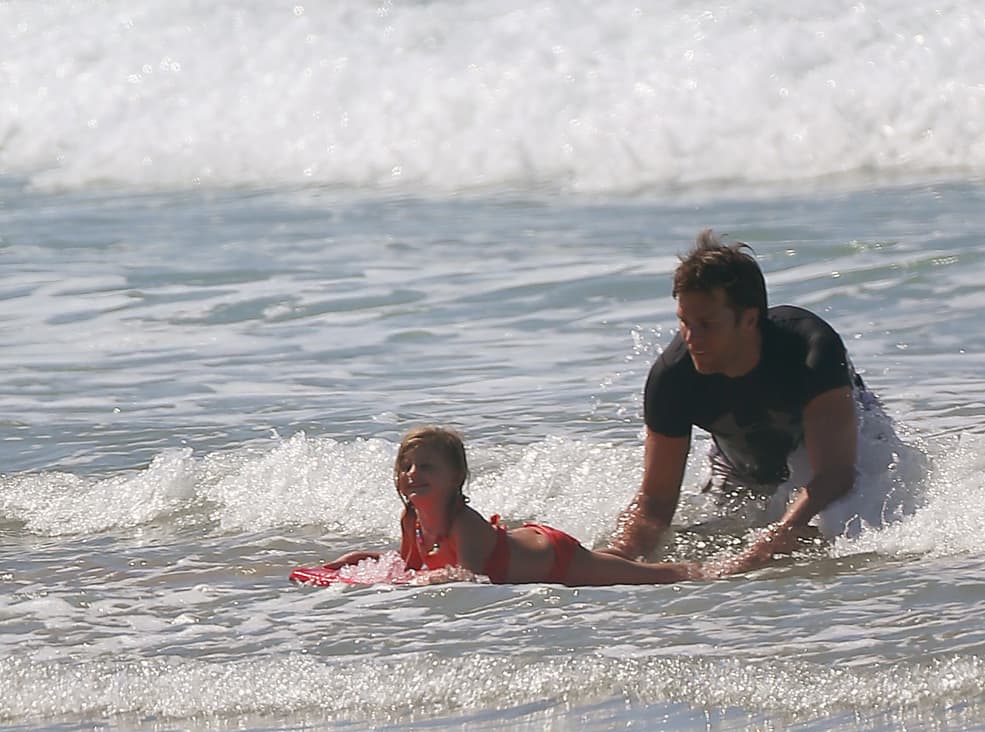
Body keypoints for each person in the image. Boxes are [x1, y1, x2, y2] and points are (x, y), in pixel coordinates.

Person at [600, 228, 879, 575]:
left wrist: (775, 538)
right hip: (742, 461)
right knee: (718, 537)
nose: (692, 338)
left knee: (838, 530)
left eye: (706, 324)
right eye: (684, 322)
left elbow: (836, 473)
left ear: (748, 319)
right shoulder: (672, 379)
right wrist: (620, 557)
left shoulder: (809, 348)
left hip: (846, 447)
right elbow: (656, 503)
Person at [322, 426, 706, 587]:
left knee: (644, 577)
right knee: (617, 565)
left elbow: (470, 578)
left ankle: (705, 572)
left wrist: (419, 584)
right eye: (405, 466)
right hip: (523, 550)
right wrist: (357, 560)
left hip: (554, 557)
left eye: (425, 466)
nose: (412, 473)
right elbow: (410, 565)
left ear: (455, 477)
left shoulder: (464, 524)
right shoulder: (413, 520)